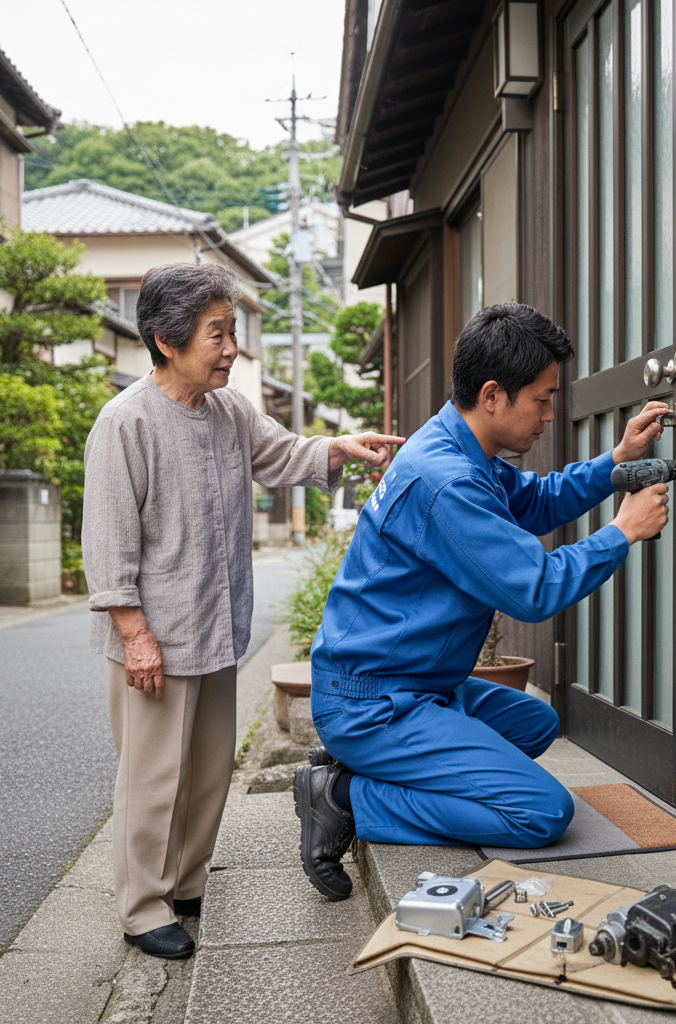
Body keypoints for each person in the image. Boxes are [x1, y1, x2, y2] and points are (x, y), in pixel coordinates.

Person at [292, 302, 669, 901]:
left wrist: (616, 464)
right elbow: (535, 589)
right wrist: (621, 531)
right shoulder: (447, 480)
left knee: (536, 722)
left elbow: (540, 503)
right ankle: (343, 797)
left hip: (416, 682)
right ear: (493, 394)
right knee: (541, 813)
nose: (550, 414)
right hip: (374, 700)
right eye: (542, 400)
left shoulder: (461, 449)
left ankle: (376, 766)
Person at [82, 262, 403, 959]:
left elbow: (283, 452)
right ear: (167, 340)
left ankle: (186, 880)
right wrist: (134, 634)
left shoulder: (228, 410)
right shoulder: (125, 421)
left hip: (217, 624)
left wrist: (339, 449)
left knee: (205, 769)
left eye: (232, 331)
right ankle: (141, 907)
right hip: (156, 639)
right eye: (216, 333)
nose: (230, 348)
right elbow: (107, 546)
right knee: (152, 776)